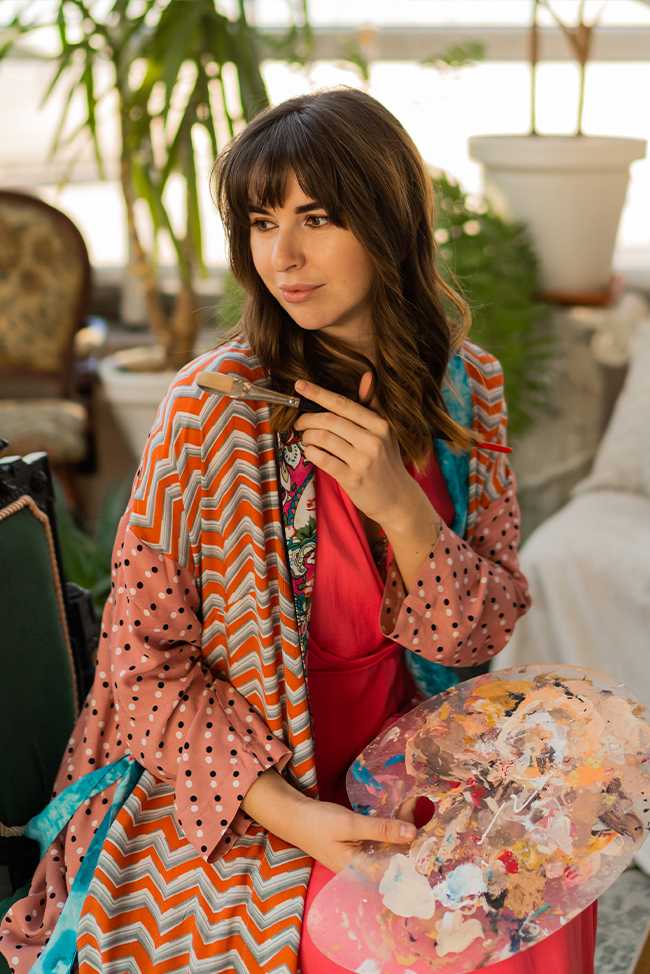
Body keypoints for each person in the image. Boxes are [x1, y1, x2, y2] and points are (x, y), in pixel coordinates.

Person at [0, 87, 597, 974]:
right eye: (259, 221)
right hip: (232, 793)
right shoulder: (209, 408)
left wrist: (401, 505)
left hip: (407, 758)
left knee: (539, 897)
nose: (283, 254)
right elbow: (139, 660)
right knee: (399, 941)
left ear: (387, 221)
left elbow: (476, 639)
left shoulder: (467, 387)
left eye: (316, 217)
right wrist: (298, 818)